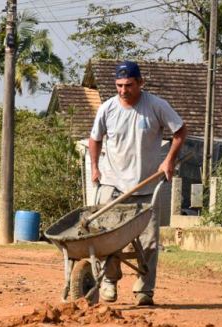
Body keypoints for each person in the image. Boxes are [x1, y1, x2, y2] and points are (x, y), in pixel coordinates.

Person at [88, 60, 187, 306]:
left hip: (146, 187)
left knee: (150, 243)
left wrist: (168, 161)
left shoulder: (156, 106)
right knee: (107, 239)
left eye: (129, 85)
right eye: (119, 85)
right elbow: (94, 138)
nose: (123, 90)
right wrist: (95, 167)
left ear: (140, 83)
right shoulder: (107, 108)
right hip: (112, 186)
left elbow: (180, 131)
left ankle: (144, 290)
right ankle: (109, 281)